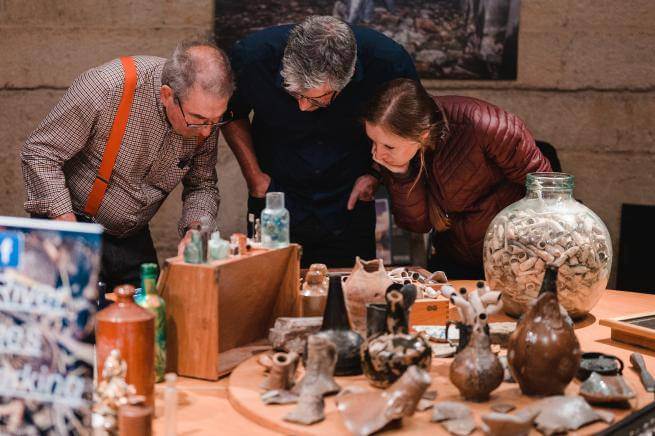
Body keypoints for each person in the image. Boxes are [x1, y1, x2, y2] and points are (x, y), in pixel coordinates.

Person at [21, 41, 234, 291]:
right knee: (73, 327)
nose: (207, 131)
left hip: (133, 237)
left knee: (151, 317)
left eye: (216, 120)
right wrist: (68, 229)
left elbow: (203, 184)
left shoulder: (205, 121)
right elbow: (40, 152)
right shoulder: (106, 87)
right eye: (198, 119)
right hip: (73, 225)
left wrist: (196, 229)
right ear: (167, 95)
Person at [222, 15, 418, 267]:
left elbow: (410, 126)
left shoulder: (388, 62)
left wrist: (376, 174)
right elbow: (231, 112)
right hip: (275, 196)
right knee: (267, 289)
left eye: (315, 99)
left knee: (350, 291)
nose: (303, 107)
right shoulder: (252, 57)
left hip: (349, 197)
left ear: (346, 80)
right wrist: (254, 177)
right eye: (293, 92)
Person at [363, 78, 552, 279]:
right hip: (454, 256)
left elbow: (547, 188)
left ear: (423, 135)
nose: (377, 154)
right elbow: (418, 225)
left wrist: (529, 249)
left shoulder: (485, 125)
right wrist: (402, 175)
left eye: (388, 146)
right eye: (373, 141)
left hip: (513, 256)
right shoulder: (400, 154)